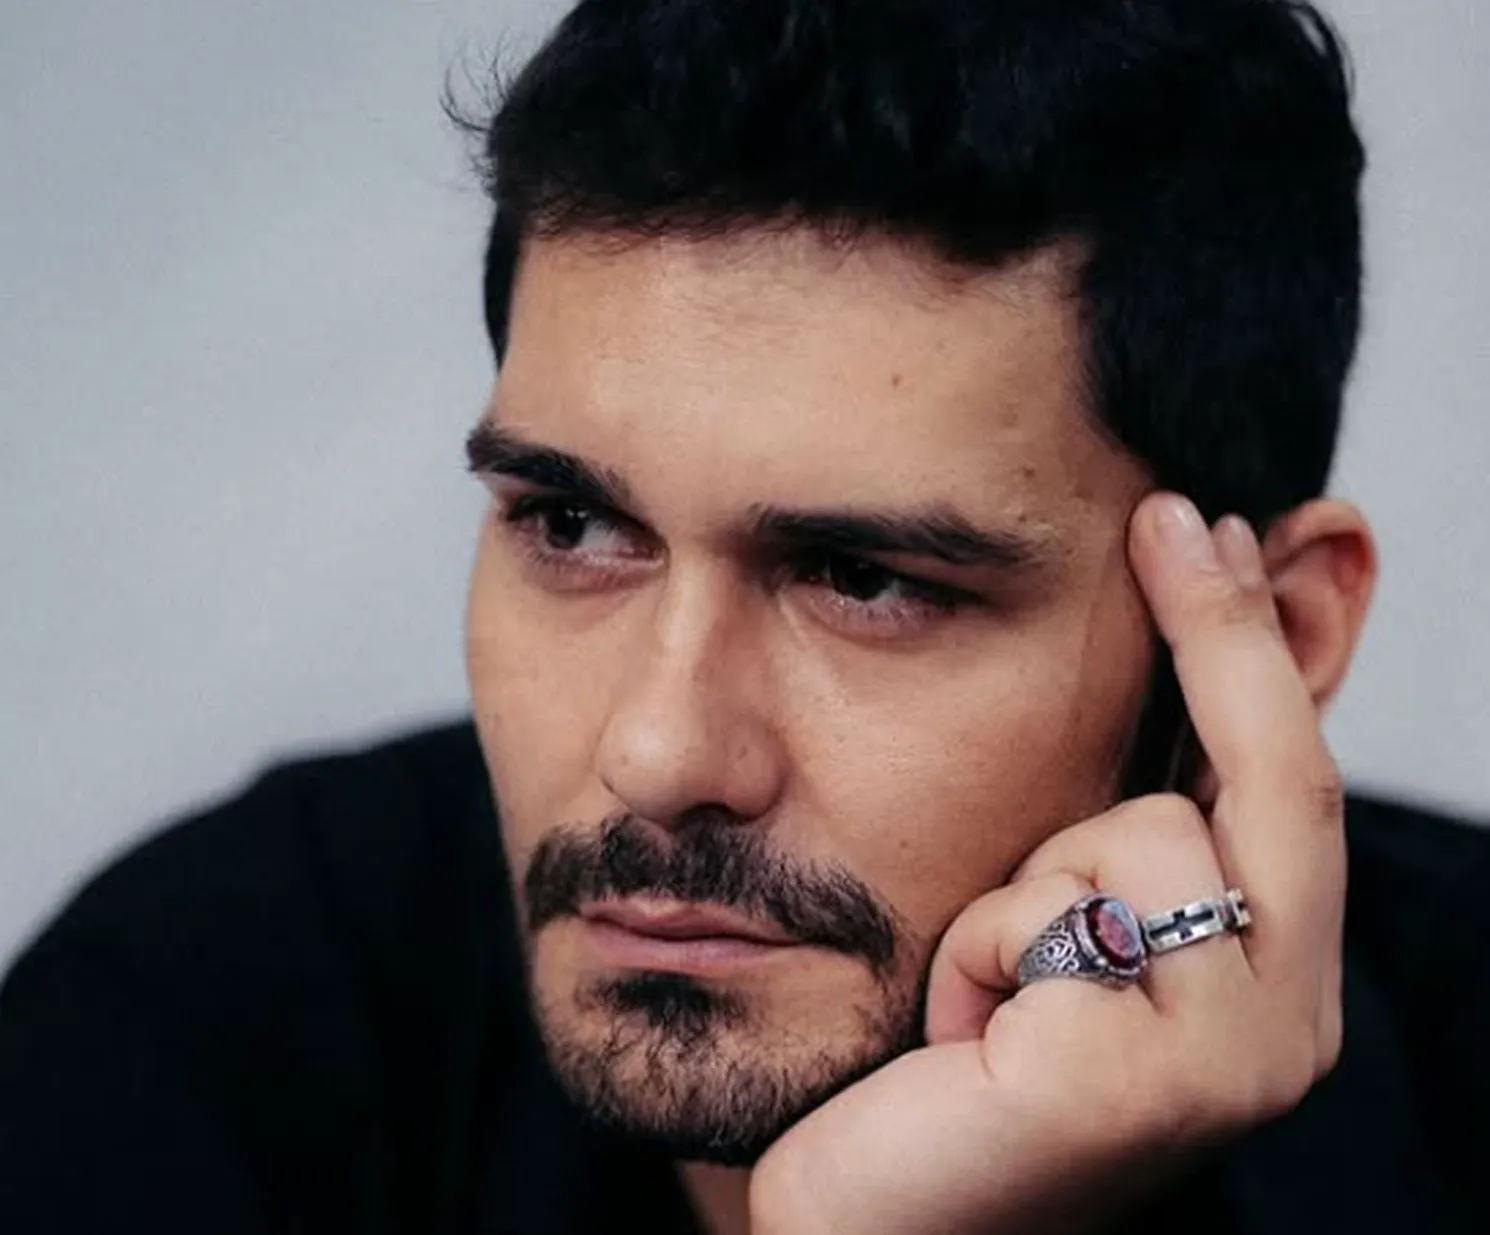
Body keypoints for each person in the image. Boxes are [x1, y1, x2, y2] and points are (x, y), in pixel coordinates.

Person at [2, 0, 1486, 1231]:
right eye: (570, 525)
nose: (656, 754)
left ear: (1274, 639)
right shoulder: (196, 1032)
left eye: (865, 579)